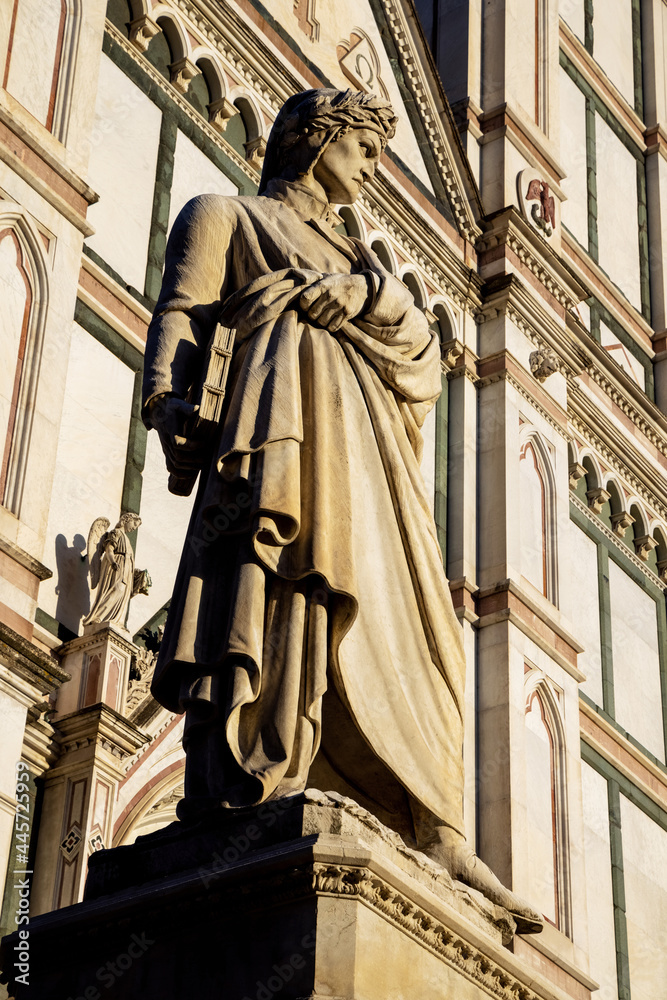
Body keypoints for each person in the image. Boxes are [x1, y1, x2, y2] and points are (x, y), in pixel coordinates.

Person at [142, 88, 542, 933]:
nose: (368, 171)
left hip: (367, 467)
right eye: (360, 148)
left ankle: (432, 825)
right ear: (313, 138)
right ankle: (270, 762)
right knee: (280, 595)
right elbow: (181, 314)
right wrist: (166, 402)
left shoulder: (365, 266)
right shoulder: (226, 215)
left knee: (423, 639)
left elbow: (425, 366)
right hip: (279, 439)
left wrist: (364, 301)